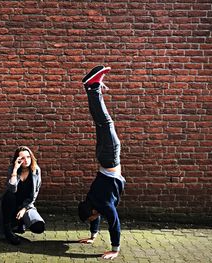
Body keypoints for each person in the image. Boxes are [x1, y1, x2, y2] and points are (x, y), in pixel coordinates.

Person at [78, 65, 126, 260]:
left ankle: (92, 87)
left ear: (92, 211)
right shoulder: (93, 200)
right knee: (100, 122)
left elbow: (114, 223)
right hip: (104, 159)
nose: (93, 219)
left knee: (106, 123)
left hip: (110, 159)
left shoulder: (103, 205)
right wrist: (93, 236)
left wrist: (115, 249)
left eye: (91, 218)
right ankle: (92, 88)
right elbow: (95, 217)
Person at [0, 146, 45, 245]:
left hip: (26, 204)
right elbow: (11, 189)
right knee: (10, 195)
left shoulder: (36, 170)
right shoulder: (12, 169)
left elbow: (35, 194)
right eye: (22, 158)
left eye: (28, 157)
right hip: (10, 203)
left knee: (39, 227)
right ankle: (7, 230)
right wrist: (15, 170)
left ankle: (20, 222)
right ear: (17, 160)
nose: (26, 160)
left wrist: (24, 209)